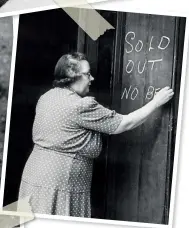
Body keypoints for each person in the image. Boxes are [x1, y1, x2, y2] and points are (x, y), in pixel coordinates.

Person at [18, 52, 174, 217]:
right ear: (71, 75)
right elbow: (125, 123)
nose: (91, 78)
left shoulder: (47, 97)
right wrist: (156, 102)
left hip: (33, 177)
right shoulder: (81, 105)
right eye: (87, 74)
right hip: (60, 184)